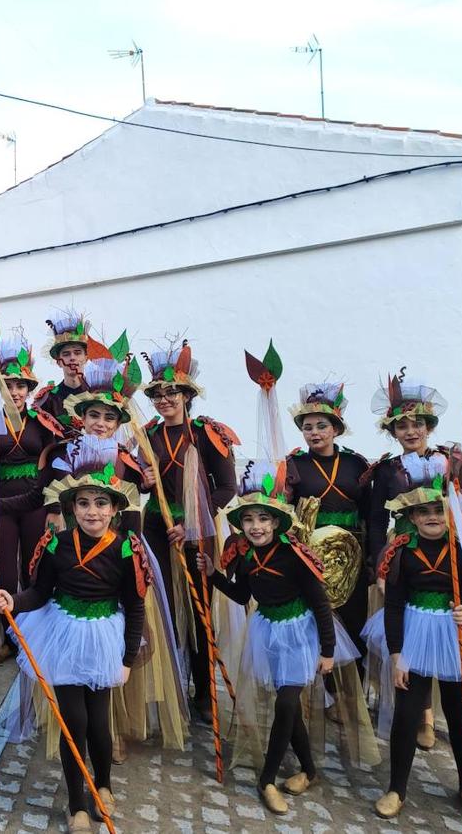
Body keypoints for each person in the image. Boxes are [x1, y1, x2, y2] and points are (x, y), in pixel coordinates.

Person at [0, 436, 147, 833]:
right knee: (73, 721)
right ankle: (77, 803)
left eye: (100, 503)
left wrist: (128, 659)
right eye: (83, 503)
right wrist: (13, 602)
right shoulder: (57, 544)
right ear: (71, 507)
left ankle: (104, 784)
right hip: (62, 635)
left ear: (114, 509)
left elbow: (134, 605)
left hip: (103, 638)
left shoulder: (126, 550)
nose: (92, 511)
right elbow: (40, 592)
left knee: (99, 722)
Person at [200, 458, 364, 815]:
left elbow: (321, 605)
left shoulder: (294, 556)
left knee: (286, 705)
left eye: (263, 519)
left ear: (275, 521)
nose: (255, 527)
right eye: (248, 519)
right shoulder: (242, 557)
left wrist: (327, 651)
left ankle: (267, 780)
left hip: (300, 633)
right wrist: (214, 574)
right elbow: (243, 596)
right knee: (289, 710)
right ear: (241, 524)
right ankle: (309, 770)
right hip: (267, 631)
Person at [364, 451, 462, 819]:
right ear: (411, 517)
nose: (432, 518)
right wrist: (396, 655)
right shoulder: (402, 553)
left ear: (450, 513)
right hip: (414, 634)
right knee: (407, 714)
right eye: (423, 512)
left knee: (460, 715)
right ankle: (396, 789)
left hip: (458, 637)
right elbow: (393, 606)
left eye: (439, 511)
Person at [365, 371, 462, 750]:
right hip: (403, 556)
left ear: (429, 426)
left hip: (445, 554)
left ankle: (440, 715)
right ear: (393, 432)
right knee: (408, 634)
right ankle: (419, 712)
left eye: (418, 424)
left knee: (442, 629)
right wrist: (381, 565)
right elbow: (377, 522)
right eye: (403, 426)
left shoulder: (451, 463)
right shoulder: (386, 472)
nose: (411, 431)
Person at [140, 343, 238, 723]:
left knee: (199, 613)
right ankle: (170, 687)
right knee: (163, 610)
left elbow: (226, 487)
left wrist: (194, 521)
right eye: (158, 394)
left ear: (186, 395)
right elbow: (143, 483)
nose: (165, 400)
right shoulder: (146, 434)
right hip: (157, 530)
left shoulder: (206, 433)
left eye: (172, 393)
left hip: (197, 533)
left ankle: (203, 692)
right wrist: (145, 482)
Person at [0, 334, 64, 664]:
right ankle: (6, 637)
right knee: (4, 575)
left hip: (34, 504)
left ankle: (31, 637)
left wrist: (54, 507)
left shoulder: (41, 422)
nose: (15, 392)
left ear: (29, 390)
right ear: (1, 388)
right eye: (9, 385)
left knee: (34, 571)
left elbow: (56, 465)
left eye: (20, 386)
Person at [286, 382, 370, 671]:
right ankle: (325, 690)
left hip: (352, 553)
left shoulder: (355, 463)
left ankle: (354, 691)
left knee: (354, 616)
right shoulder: (294, 465)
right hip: (312, 554)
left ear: (336, 429)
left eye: (322, 426)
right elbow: (286, 510)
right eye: (308, 428)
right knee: (319, 617)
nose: (315, 433)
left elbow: (369, 512)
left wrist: (371, 559)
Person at [33, 309, 90, 428]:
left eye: (77, 352)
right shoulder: (49, 399)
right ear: (58, 362)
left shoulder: (98, 393)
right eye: (66, 354)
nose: (72, 358)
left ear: (86, 357)